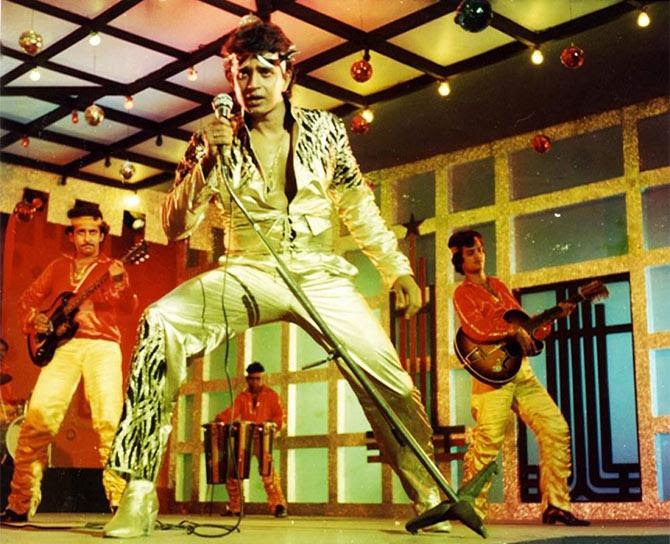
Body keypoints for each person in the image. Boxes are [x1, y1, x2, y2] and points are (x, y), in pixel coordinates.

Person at [103, 15, 450, 538]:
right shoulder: (210, 141)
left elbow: (357, 205)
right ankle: (139, 491)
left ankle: (428, 492)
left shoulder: (325, 130)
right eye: (241, 73)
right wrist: (206, 165)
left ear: (286, 74)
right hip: (246, 269)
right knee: (160, 322)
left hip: (317, 273)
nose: (252, 84)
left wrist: (396, 268)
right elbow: (174, 227)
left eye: (264, 71)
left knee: (387, 375)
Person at [0, 205, 136, 523]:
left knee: (108, 422)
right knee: (36, 423)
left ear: (102, 235)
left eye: (93, 232)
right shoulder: (58, 267)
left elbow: (128, 306)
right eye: (81, 232)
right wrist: (37, 320)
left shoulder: (112, 268)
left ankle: (121, 503)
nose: (87, 238)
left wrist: (120, 282)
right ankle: (20, 503)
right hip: (63, 348)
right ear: (71, 235)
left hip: (103, 346)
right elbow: (27, 301)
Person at [448, 229, 589, 526]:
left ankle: (556, 505)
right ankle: (471, 507)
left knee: (555, 428)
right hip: (491, 374)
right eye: (470, 252)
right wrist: (511, 331)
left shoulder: (498, 285)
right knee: (488, 440)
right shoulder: (462, 293)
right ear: (459, 259)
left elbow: (523, 322)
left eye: (480, 249)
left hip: (520, 370)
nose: (478, 255)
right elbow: (474, 328)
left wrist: (552, 318)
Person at [214, 361, 287, 517]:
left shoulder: (272, 396)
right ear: (247, 379)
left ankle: (278, 506)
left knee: (268, 473)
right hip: (245, 438)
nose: (254, 382)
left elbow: (281, 416)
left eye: (257, 379)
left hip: (263, 438)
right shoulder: (242, 397)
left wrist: (272, 427)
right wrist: (219, 420)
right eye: (252, 379)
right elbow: (231, 412)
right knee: (234, 472)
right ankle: (235, 507)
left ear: (262, 378)